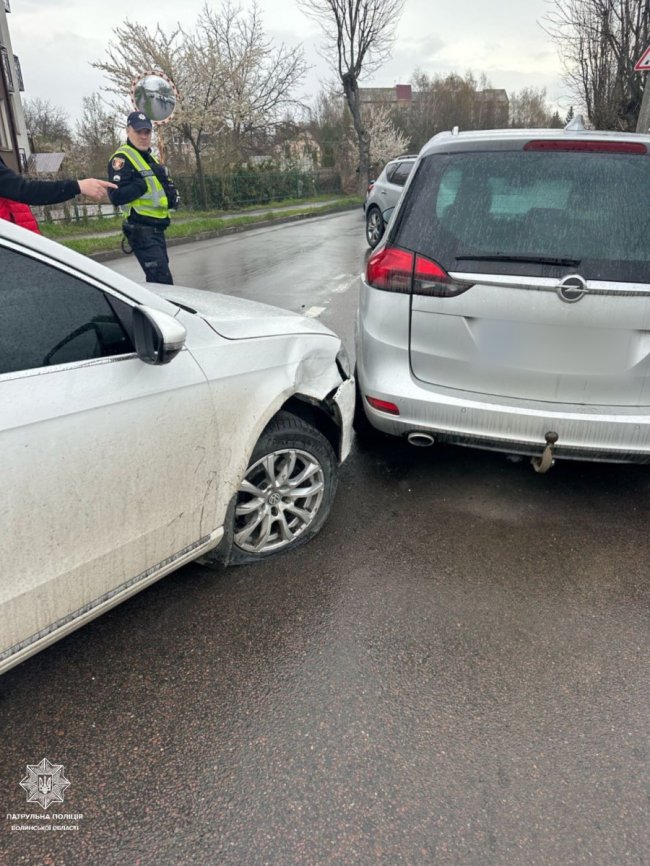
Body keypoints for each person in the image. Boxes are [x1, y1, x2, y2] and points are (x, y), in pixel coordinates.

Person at [107, 111, 179, 284]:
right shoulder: (122, 158)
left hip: (157, 229)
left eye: (147, 132)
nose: (143, 136)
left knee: (159, 281)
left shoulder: (149, 157)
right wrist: (142, 184)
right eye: (139, 131)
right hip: (141, 229)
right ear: (128, 131)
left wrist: (171, 196)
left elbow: (158, 190)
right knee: (162, 281)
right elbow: (116, 196)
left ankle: (155, 310)